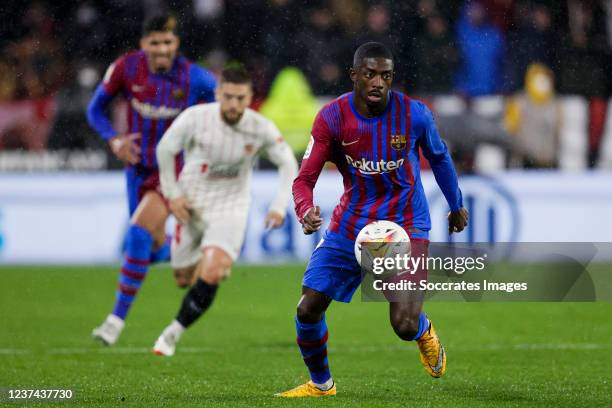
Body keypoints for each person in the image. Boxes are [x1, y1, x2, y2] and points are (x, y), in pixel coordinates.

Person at [276, 42, 468, 398]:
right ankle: (321, 384)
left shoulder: (414, 115)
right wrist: (305, 210)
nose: (378, 82)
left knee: (404, 324)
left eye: (386, 75)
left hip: (406, 222)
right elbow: (304, 179)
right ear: (354, 76)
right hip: (352, 223)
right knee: (308, 308)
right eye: (370, 74)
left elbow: (439, 159)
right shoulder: (332, 118)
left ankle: (423, 330)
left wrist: (455, 204)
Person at [86, 14, 216, 345]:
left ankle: (114, 322)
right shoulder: (126, 68)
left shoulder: (196, 78)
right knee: (147, 246)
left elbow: (222, 119)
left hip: (173, 172)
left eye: (168, 42)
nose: (161, 49)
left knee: (138, 232)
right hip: (137, 168)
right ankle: (185, 254)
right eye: (155, 42)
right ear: (144, 44)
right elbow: (95, 109)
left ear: (177, 44)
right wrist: (113, 139)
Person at [151, 65, 298, 356]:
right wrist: (173, 195)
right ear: (218, 93)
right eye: (228, 97)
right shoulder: (196, 118)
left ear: (250, 97)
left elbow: (288, 163)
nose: (233, 104)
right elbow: (165, 150)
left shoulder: (260, 127)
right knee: (183, 278)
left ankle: (171, 334)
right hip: (190, 204)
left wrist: (280, 205)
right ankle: (207, 269)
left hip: (231, 206)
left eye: (240, 98)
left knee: (214, 271)